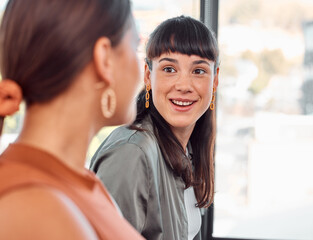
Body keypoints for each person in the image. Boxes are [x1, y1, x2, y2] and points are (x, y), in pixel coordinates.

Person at [0, 0, 144, 239]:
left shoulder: (80, 182)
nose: (141, 68)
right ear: (104, 58)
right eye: (136, 46)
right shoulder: (40, 210)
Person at [90, 15, 219, 240]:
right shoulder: (131, 153)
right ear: (149, 76)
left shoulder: (189, 149)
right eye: (169, 69)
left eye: (198, 71)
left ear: (215, 80)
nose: (184, 86)